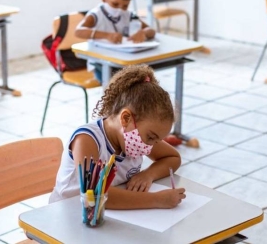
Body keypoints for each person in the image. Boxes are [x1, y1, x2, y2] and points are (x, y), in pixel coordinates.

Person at [50, 64, 185, 209]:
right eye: (151, 138)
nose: (149, 148)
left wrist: (148, 175)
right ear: (126, 118)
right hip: (66, 217)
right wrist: (157, 200)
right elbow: (95, 194)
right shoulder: (86, 139)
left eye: (156, 140)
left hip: (105, 217)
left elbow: (172, 158)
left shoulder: (139, 135)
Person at [75, 0, 155, 83]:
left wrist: (143, 33)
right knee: (121, 85)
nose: (119, 9)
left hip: (124, 62)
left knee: (143, 80)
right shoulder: (96, 14)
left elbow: (151, 31)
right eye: (115, 4)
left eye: (125, 6)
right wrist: (107, 35)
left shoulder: (129, 15)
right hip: (101, 64)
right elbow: (78, 31)